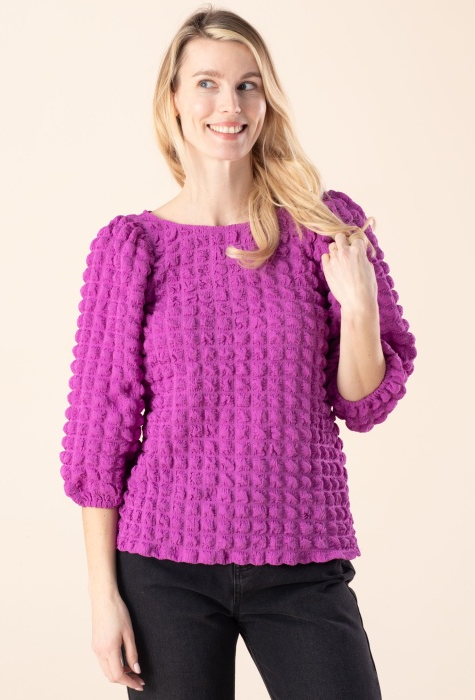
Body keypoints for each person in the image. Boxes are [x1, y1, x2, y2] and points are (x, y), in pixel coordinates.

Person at [59, 6, 417, 699]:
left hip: (302, 554)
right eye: (208, 84)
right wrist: (104, 599)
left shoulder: (324, 226)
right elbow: (98, 442)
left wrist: (361, 306)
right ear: (173, 99)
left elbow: (363, 402)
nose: (230, 105)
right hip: (162, 565)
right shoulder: (132, 248)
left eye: (248, 85)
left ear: (267, 100)